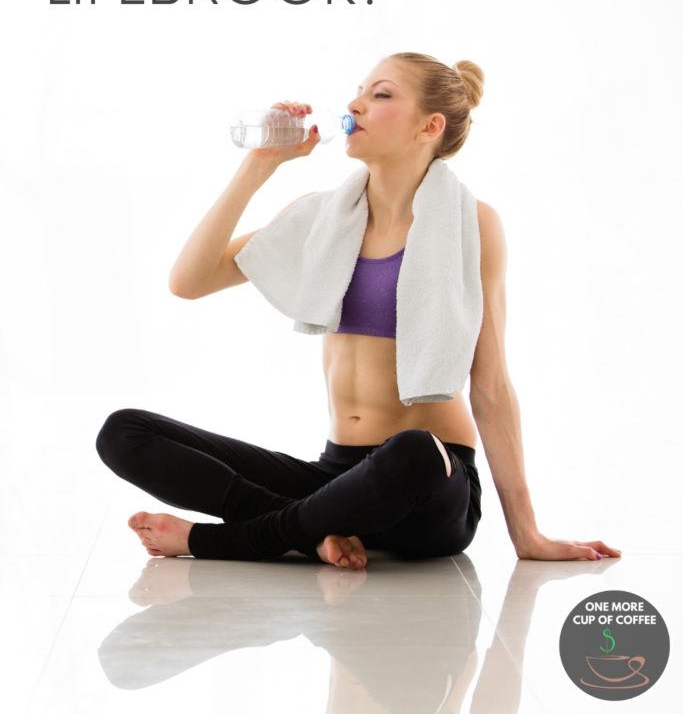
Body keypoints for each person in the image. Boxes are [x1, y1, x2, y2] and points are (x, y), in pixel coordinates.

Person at [95, 51, 621, 568]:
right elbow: (189, 281)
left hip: (428, 484)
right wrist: (259, 166)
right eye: (360, 91)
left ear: (429, 126)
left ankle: (228, 541)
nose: (356, 103)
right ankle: (309, 532)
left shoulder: (473, 224)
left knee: (413, 449)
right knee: (125, 433)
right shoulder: (323, 219)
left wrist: (527, 533)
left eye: (381, 94)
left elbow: (491, 384)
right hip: (339, 477)